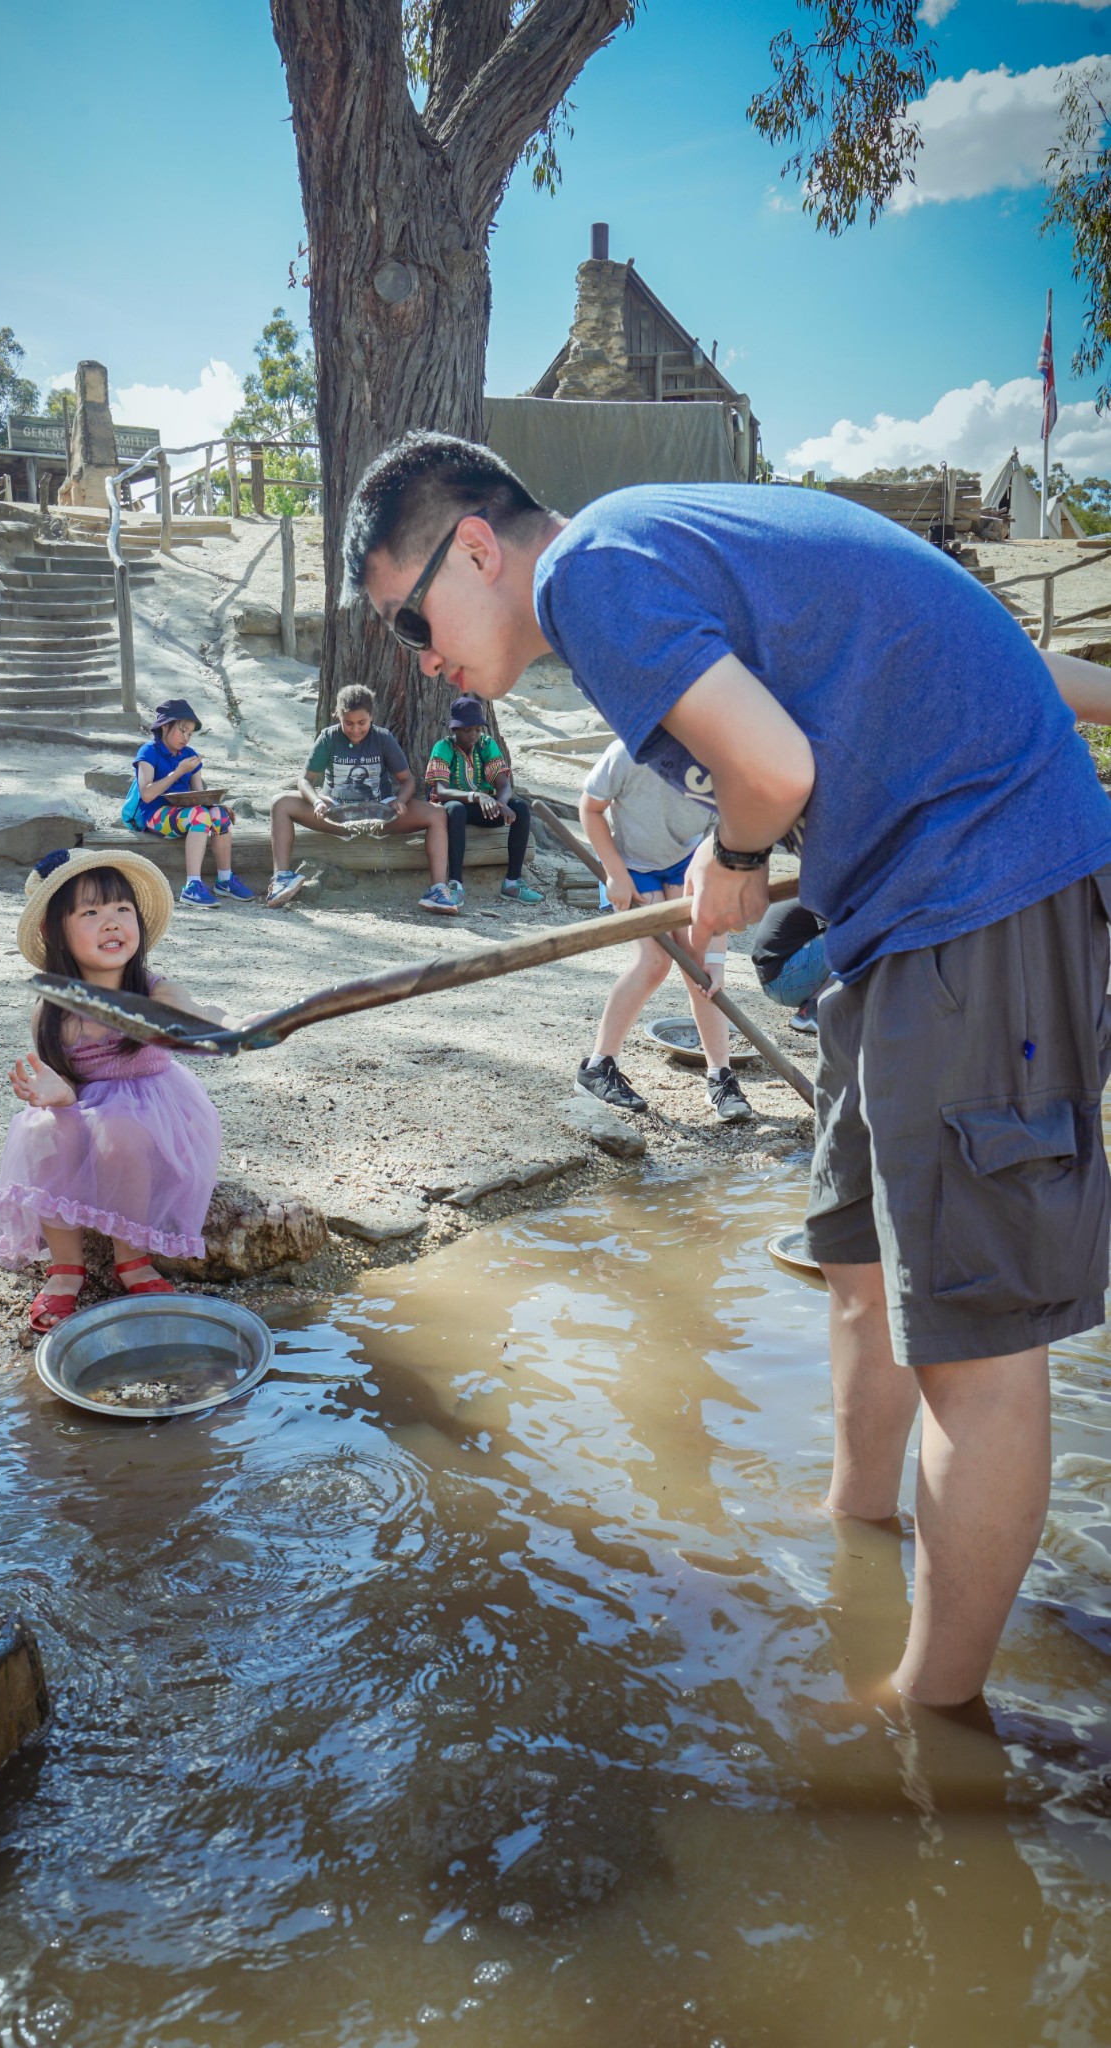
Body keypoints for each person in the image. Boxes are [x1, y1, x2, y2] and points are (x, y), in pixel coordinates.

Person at [342, 428, 1111, 1710]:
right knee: (857, 1262)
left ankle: (931, 1717)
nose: (422, 661)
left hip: (980, 897)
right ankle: (858, 1530)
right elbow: (982, 655)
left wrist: (738, 858)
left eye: (410, 619)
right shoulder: (654, 545)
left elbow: (772, 770)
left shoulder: (588, 572)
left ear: (474, 545)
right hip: (902, 918)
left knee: (976, 1351)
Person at [0, 848, 225, 1334]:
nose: (111, 923)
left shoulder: (152, 990)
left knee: (121, 1138)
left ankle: (131, 1256)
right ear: (55, 932)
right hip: (81, 1105)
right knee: (45, 1132)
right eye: (90, 913)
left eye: (121, 910)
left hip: (150, 1106)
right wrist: (54, 1093)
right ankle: (66, 1263)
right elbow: (64, 1082)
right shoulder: (54, 1011)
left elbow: (186, 1011)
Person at [577, 739, 751, 1121]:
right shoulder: (627, 752)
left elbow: (718, 879)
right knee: (654, 963)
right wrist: (615, 873)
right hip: (632, 866)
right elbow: (590, 809)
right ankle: (598, 1066)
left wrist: (717, 961)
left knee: (701, 970)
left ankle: (720, 1078)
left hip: (690, 862)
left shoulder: (717, 765)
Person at [266, 682, 455, 913]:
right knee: (280, 803)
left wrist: (400, 801)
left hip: (382, 815)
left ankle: (438, 890)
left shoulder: (383, 738)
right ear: (339, 717)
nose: (355, 730)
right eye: (349, 723)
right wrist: (316, 800)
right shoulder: (328, 738)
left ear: (372, 717)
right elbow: (304, 780)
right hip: (335, 814)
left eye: (362, 723)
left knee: (437, 813)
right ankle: (282, 878)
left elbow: (408, 781)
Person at [130, 697, 254, 909]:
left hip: (182, 813)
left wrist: (215, 805)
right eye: (182, 730)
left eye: (190, 733)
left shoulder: (190, 755)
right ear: (165, 726)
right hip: (153, 814)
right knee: (200, 815)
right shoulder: (149, 751)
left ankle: (224, 880)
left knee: (219, 816)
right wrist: (178, 772)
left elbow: (198, 794)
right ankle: (192, 886)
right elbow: (147, 794)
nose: (186, 738)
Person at [424, 693, 542, 907]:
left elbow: (504, 785)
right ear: (455, 729)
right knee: (456, 809)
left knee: (521, 808)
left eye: (477, 729)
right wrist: (476, 795)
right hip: (452, 809)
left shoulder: (486, 745)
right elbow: (441, 791)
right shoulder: (443, 747)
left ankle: (512, 882)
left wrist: (502, 804)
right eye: (467, 730)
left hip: (484, 807)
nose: (474, 735)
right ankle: (455, 884)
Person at [751, 898, 832, 1035]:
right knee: (861, 934)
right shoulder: (832, 886)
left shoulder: (813, 881)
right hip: (784, 978)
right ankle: (814, 1010)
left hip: (776, 978)